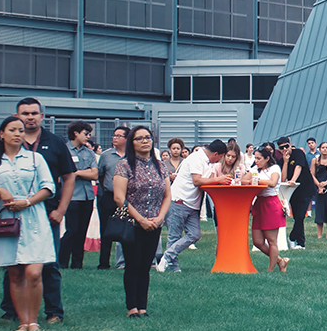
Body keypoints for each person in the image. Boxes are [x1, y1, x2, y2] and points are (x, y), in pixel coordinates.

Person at [0, 98, 76, 326]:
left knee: (48, 264)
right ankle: (11, 310)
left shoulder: (55, 143)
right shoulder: (9, 145)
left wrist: (61, 210)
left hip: (48, 213)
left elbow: (68, 177)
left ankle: (53, 311)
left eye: (34, 113)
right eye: (25, 113)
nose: (30, 117)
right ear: (16, 116)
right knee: (13, 264)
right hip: (11, 215)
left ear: (42, 116)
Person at [0, 116, 55, 331]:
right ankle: (23, 322)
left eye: (21, 130)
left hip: (34, 218)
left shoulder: (35, 159)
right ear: (2, 134)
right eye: (13, 130)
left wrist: (27, 202)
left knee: (34, 272)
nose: (18, 134)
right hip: (7, 220)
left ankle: (33, 321)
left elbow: (48, 187)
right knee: (15, 273)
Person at [113, 126, 170, 318]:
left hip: (155, 222)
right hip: (132, 223)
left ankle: (143, 306)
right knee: (133, 264)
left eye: (148, 137)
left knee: (146, 264)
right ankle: (132, 307)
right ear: (132, 142)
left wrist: (160, 217)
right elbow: (119, 198)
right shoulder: (124, 165)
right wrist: (140, 219)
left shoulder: (160, 166)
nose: (145, 141)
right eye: (139, 139)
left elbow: (167, 195)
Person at [156, 139, 228, 273]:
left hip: (193, 204)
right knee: (174, 236)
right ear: (216, 154)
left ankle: (168, 256)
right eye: (221, 157)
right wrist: (218, 179)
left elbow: (207, 180)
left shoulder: (208, 162)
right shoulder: (196, 158)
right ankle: (173, 267)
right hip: (179, 200)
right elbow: (197, 180)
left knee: (195, 235)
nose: (220, 161)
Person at [59, 121, 98, 269]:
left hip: (87, 197)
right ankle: (61, 260)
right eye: (85, 134)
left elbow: (95, 174)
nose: (88, 137)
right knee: (72, 230)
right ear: (75, 133)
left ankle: (77, 263)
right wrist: (83, 173)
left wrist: (76, 173)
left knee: (82, 231)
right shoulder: (64, 150)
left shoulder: (88, 152)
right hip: (72, 196)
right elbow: (64, 174)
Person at [242, 146, 288, 272]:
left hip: (271, 203)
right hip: (259, 203)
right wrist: (253, 178)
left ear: (267, 158)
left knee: (271, 240)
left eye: (259, 158)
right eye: (255, 158)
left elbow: (273, 182)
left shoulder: (274, 168)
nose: (256, 161)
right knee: (257, 241)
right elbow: (243, 180)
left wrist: (255, 180)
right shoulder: (255, 169)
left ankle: (271, 269)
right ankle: (280, 260)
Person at [97, 126, 129, 270]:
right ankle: (104, 262)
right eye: (114, 135)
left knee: (127, 228)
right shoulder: (106, 155)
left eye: (118, 136)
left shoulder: (132, 155)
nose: (114, 138)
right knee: (105, 229)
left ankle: (126, 261)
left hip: (128, 196)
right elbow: (101, 175)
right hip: (109, 196)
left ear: (126, 139)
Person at [277, 136, 316, 249]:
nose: (284, 149)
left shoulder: (298, 153)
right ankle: (300, 243)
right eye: (281, 148)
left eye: (286, 146)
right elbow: (283, 177)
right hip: (293, 191)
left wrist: (293, 180)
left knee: (300, 216)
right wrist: (285, 162)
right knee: (298, 217)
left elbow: (298, 167)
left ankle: (292, 237)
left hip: (305, 188)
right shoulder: (281, 160)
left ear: (290, 145)